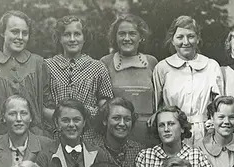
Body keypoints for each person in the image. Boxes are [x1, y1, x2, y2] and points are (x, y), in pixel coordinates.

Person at [153, 15, 223, 146]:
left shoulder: (211, 66)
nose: (186, 42)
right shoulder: (162, 68)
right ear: (172, 40)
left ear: (198, 39)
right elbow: (157, 108)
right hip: (172, 133)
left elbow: (220, 105)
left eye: (191, 36)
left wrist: (213, 125)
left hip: (205, 133)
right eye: (180, 37)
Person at [130, 106, 215, 167]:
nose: (166, 129)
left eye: (171, 124)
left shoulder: (199, 158)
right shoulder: (145, 157)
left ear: (182, 128)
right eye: (161, 125)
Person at [43, 15, 113, 128]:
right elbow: (40, 103)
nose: (72, 39)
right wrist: (57, 116)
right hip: (54, 132)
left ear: (84, 38)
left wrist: (89, 112)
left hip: (88, 131)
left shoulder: (98, 67)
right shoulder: (46, 66)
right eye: (67, 34)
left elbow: (105, 105)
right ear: (59, 39)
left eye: (77, 34)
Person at [101, 15, 158, 147]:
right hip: (118, 131)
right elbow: (102, 101)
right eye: (122, 34)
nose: (127, 38)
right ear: (115, 37)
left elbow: (159, 99)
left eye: (132, 33)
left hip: (147, 132)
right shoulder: (106, 62)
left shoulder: (152, 62)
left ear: (141, 37)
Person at [35, 98, 110, 167]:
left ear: (84, 122)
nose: (71, 125)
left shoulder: (98, 153)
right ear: (57, 123)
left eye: (76, 120)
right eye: (65, 120)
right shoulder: (45, 156)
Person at [0, 95, 55, 167]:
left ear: (31, 117)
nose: (18, 119)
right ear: (3, 117)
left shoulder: (47, 145)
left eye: (24, 113)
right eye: (12, 114)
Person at [95, 97, 144, 167]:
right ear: (105, 121)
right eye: (116, 118)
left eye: (127, 119)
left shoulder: (140, 151)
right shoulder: (92, 149)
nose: (122, 123)